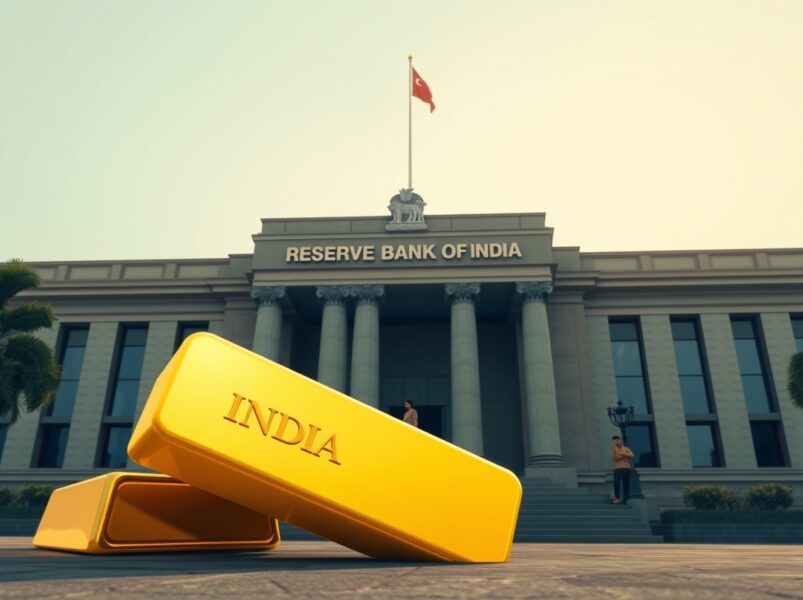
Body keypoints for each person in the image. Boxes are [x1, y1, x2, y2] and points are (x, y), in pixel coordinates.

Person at [611, 435, 634, 504]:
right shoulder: (614, 449)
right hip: (618, 468)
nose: (617, 441)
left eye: (618, 440)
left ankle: (626, 499)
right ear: (614, 442)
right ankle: (617, 498)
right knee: (616, 482)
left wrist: (622, 453)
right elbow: (614, 458)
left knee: (626, 484)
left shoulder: (626, 448)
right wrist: (625, 455)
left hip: (627, 468)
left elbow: (632, 455)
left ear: (620, 441)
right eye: (615, 441)